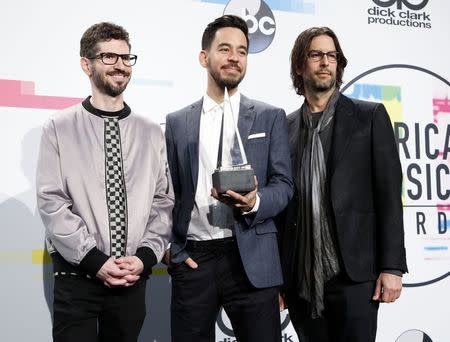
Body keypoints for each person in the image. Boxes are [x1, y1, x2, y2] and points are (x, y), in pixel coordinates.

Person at [36, 22, 174, 342]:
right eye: (109, 57)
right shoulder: (59, 127)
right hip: (77, 277)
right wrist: (94, 261)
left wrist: (143, 259)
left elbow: (163, 202)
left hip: (131, 280)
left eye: (126, 58)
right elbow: (51, 202)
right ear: (87, 64)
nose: (121, 66)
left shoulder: (151, 132)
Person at [165, 15, 293, 342]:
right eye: (224, 49)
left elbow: (284, 185)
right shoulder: (177, 123)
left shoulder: (270, 116)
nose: (234, 57)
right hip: (195, 259)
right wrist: (172, 249)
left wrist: (256, 202)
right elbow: (167, 193)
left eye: (242, 51)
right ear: (204, 57)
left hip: (252, 257)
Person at [279, 27, 408, 342]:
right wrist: (277, 281)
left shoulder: (370, 116)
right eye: (315, 55)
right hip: (301, 281)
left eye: (331, 55)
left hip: (355, 277)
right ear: (299, 65)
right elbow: (281, 208)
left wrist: (392, 267)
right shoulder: (284, 128)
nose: (325, 62)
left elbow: (389, 196)